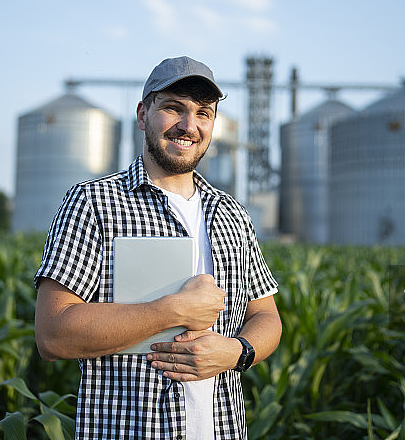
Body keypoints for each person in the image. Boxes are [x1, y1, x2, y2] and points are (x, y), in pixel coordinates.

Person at [33, 56, 282, 439]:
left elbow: (266, 316)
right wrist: (173, 310)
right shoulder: (94, 204)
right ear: (142, 113)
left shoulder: (232, 214)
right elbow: (52, 335)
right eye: (173, 108)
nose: (189, 125)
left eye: (204, 113)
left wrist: (237, 352)